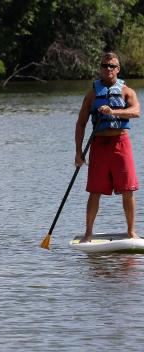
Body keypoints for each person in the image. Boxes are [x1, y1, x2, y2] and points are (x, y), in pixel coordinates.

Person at [75, 52, 140, 243]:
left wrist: (114, 112)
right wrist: (78, 152)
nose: (108, 69)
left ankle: (131, 232)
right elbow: (80, 124)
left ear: (118, 69)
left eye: (112, 66)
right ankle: (88, 233)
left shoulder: (127, 91)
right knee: (95, 190)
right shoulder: (92, 94)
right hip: (99, 145)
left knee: (128, 190)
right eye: (105, 66)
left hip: (121, 143)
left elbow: (136, 111)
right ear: (100, 68)